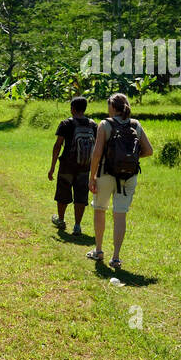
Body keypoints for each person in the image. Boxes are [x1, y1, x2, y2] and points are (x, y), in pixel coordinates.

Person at [87, 92, 153, 269]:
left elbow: (97, 154)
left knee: (100, 210)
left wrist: (92, 177)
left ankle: (99, 250)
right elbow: (149, 151)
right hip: (128, 177)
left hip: (105, 174)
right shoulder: (136, 125)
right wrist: (129, 158)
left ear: (112, 107)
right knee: (120, 215)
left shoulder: (105, 125)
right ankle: (116, 257)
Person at [48, 96, 96, 236]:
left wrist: (52, 167)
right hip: (85, 166)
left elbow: (58, 146)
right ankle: (77, 226)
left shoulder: (66, 124)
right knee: (81, 195)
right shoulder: (93, 125)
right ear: (84, 109)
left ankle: (61, 220)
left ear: (72, 109)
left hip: (67, 165)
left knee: (63, 192)